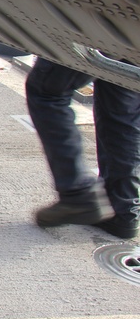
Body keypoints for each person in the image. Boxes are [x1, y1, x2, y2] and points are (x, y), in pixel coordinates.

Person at [27, 57, 140, 239]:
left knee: (46, 91)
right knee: (120, 98)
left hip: (103, 31)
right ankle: (122, 207)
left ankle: (78, 193)